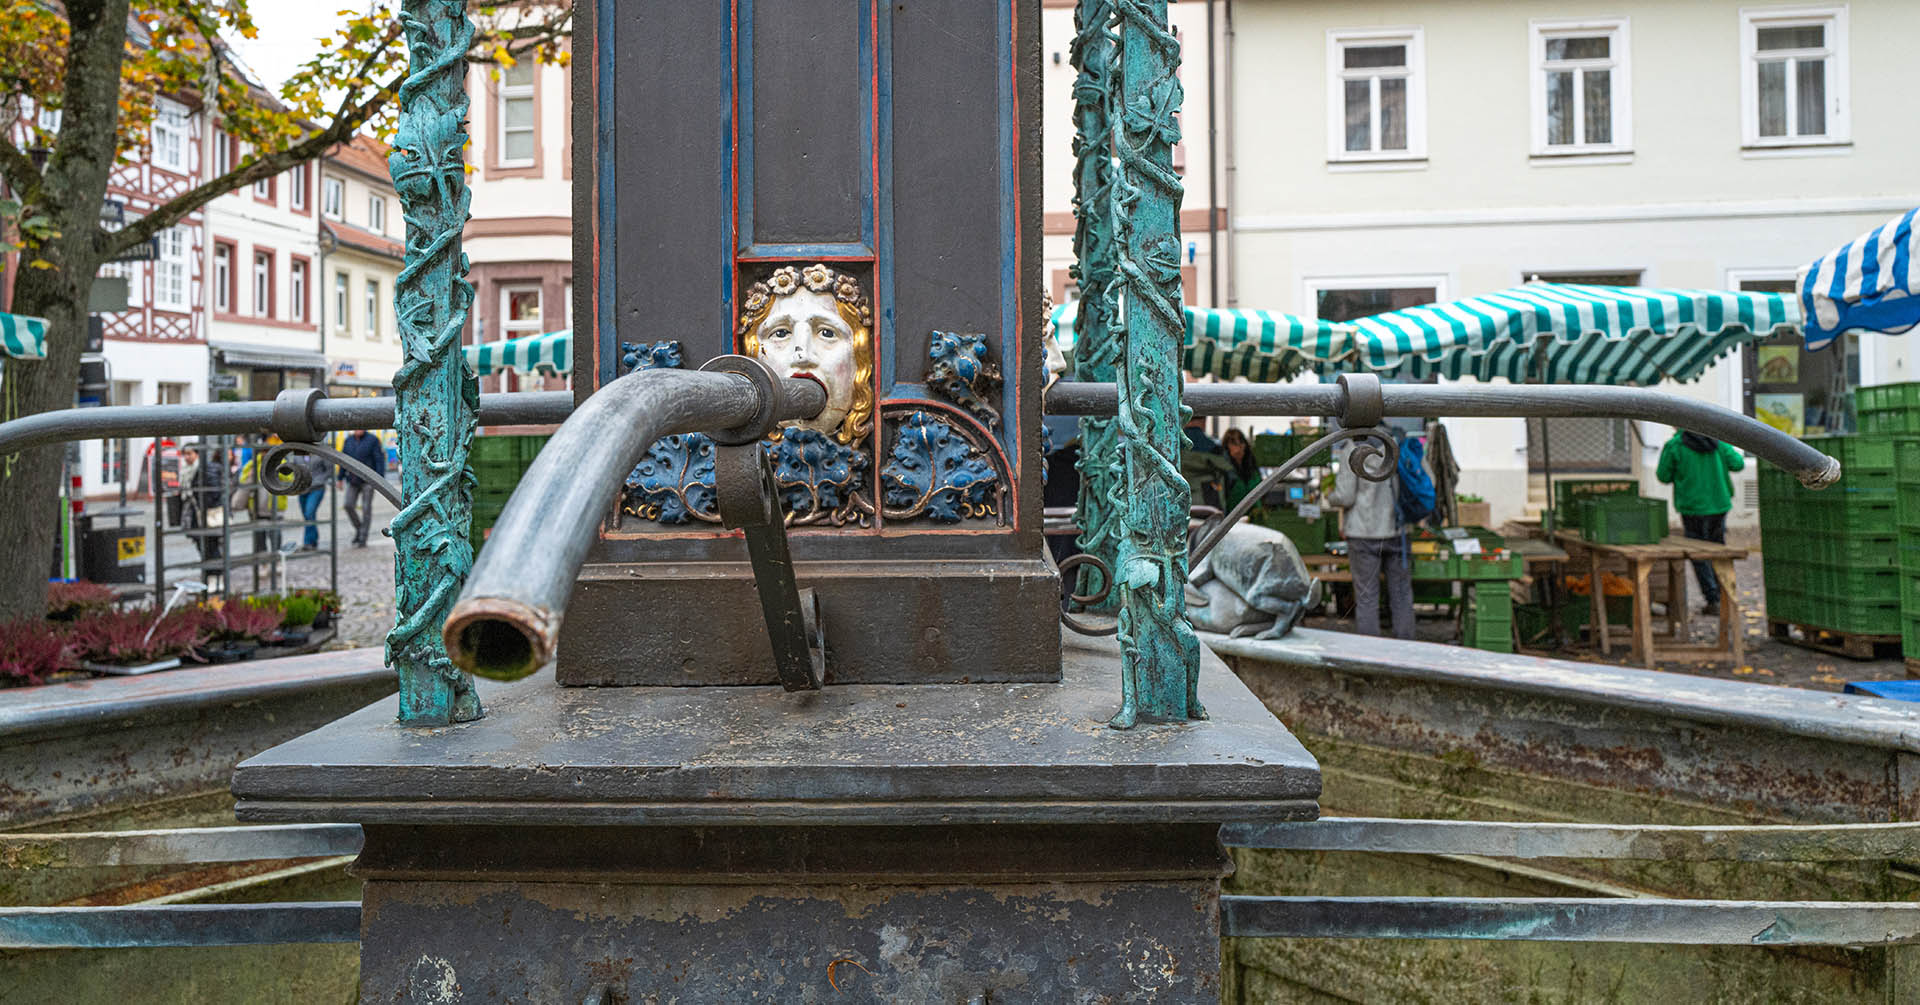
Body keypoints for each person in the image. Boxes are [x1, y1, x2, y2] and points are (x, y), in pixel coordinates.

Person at [1328, 430, 1413, 640]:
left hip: (1363, 533)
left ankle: (1371, 656)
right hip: (1397, 530)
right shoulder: (1398, 444)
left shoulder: (1354, 448)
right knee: (1401, 596)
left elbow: (1345, 497)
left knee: (1367, 598)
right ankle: (1408, 652)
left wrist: (1331, 496)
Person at [1657, 429, 1746, 613]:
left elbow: (1663, 476)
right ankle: (1725, 597)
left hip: (1692, 507)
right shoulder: (1718, 442)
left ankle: (1712, 598)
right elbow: (1738, 464)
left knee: (1698, 555)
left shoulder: (1675, 445)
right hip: (1719, 504)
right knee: (1718, 550)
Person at [341, 429, 388, 547]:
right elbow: (343, 460)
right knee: (348, 505)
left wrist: (379, 479)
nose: (358, 430)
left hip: (368, 480)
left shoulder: (372, 440)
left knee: (366, 509)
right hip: (352, 480)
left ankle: (363, 537)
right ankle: (359, 529)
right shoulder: (348, 441)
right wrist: (339, 478)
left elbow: (379, 459)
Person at [1219, 428, 1264, 512]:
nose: (1239, 447)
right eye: (1234, 443)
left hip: (1254, 518)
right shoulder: (1224, 471)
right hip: (1231, 519)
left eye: (1241, 442)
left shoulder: (1252, 467)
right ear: (1226, 447)